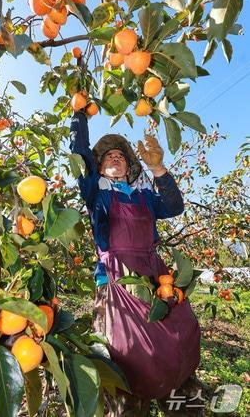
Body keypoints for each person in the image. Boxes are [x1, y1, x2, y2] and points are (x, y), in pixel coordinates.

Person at [70, 110, 203, 417]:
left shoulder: (145, 197)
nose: (114, 158)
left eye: (120, 155)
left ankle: (180, 403)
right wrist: (80, 112)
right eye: (107, 156)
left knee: (176, 342)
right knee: (125, 359)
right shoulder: (97, 194)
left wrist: (158, 168)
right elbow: (79, 151)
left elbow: (174, 205)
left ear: (129, 166)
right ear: (100, 167)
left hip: (155, 279)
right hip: (116, 283)